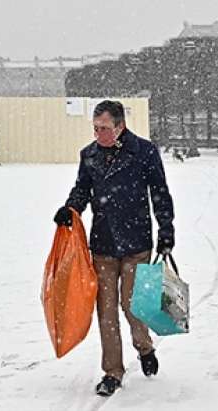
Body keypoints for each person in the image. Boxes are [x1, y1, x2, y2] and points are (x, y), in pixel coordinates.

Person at [53, 100, 175, 397]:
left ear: (120, 126)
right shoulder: (90, 155)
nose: (99, 134)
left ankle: (144, 347)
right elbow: (82, 189)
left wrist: (166, 231)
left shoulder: (144, 152)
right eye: (95, 128)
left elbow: (160, 193)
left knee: (132, 305)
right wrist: (71, 209)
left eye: (104, 128)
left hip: (136, 242)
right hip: (104, 244)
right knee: (105, 311)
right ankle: (112, 371)